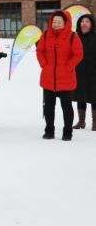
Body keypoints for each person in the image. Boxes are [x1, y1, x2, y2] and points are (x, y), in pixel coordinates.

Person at [36, 10, 83, 141]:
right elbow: (40, 51)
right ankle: (49, 130)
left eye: (59, 22)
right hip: (48, 77)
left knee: (66, 107)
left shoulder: (73, 36)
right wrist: (44, 65)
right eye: (54, 22)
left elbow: (78, 54)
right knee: (49, 107)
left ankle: (68, 132)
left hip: (66, 77)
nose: (55, 24)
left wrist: (68, 66)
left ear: (66, 23)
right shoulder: (45, 35)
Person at [73, 14, 96, 130]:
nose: (84, 23)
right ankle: (81, 121)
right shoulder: (75, 38)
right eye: (82, 21)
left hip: (94, 73)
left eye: (87, 21)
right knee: (80, 96)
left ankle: (95, 123)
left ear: (92, 24)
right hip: (79, 72)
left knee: (94, 96)